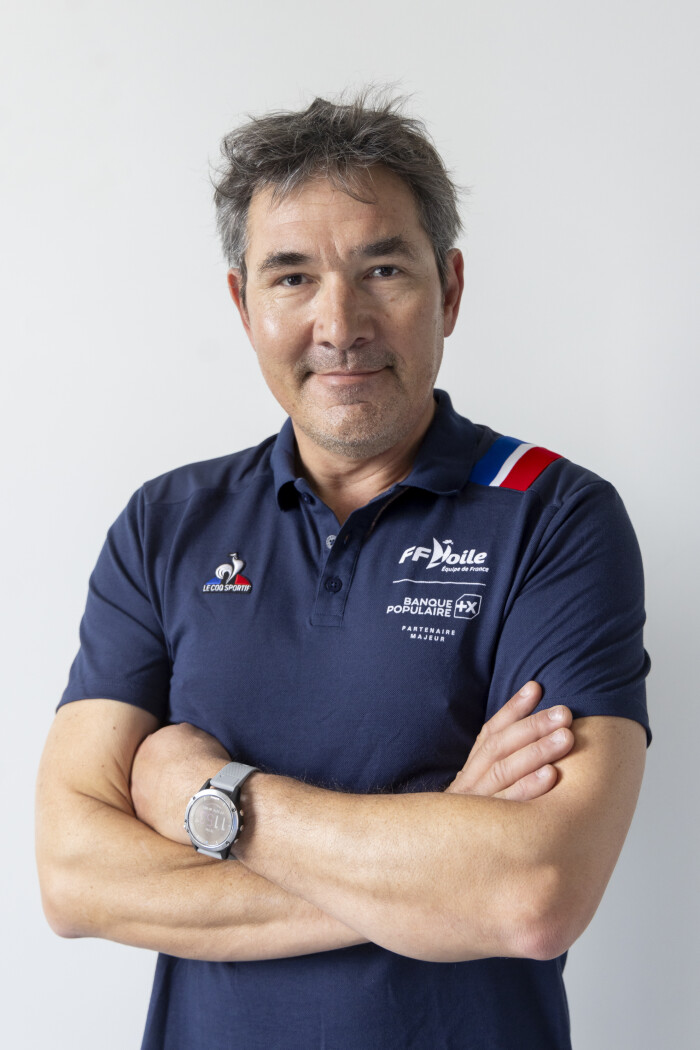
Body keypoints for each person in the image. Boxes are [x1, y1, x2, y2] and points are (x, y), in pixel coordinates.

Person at [36, 92, 650, 1050]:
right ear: (243, 305)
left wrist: (215, 801)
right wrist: (439, 865)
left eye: (383, 269)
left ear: (449, 289)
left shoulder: (555, 517)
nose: (340, 323)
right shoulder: (166, 525)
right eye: (292, 277)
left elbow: (533, 893)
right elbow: (74, 879)